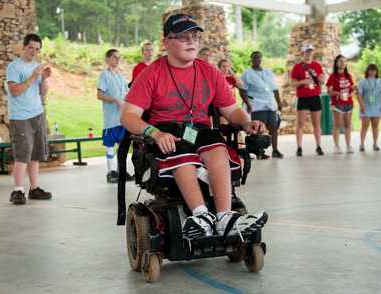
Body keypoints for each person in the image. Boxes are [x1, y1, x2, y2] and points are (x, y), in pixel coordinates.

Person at [120, 13, 267, 240]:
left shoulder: (209, 72)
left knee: (218, 148)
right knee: (181, 151)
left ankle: (225, 217)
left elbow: (231, 110)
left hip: (199, 128)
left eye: (195, 36)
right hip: (167, 131)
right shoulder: (152, 74)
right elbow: (128, 116)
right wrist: (154, 132)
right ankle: (201, 216)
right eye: (183, 37)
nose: (192, 42)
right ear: (166, 42)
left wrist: (247, 122)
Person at [6, 33, 52, 205]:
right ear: (24, 47)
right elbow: (15, 91)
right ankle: (17, 190)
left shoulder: (37, 67)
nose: (34, 51)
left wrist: (44, 78)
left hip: (37, 114)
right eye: (31, 48)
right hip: (20, 117)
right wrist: (33, 76)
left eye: (37, 49)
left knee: (35, 154)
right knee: (22, 154)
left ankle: (34, 188)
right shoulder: (14, 67)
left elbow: (42, 92)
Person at [97, 49, 133, 183]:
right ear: (107, 59)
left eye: (119, 58)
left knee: (122, 146)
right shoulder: (104, 75)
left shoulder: (121, 76)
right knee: (110, 145)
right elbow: (99, 95)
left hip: (122, 119)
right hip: (111, 119)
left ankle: (120, 171)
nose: (117, 60)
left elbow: (127, 93)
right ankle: (110, 172)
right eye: (114, 57)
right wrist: (115, 100)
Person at [241, 51, 283, 159]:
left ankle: (275, 150)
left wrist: (279, 102)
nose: (257, 59)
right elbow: (242, 91)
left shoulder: (268, 72)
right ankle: (259, 151)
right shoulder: (247, 74)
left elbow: (275, 89)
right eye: (254, 58)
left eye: (259, 58)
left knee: (273, 127)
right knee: (258, 128)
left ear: (261, 59)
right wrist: (248, 104)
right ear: (251, 59)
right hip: (257, 105)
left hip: (270, 103)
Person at [290, 43, 324, 157]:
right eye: (307, 51)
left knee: (317, 123)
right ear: (303, 53)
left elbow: (321, 80)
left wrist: (322, 79)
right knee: (301, 123)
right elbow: (292, 83)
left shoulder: (317, 66)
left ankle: (319, 146)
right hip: (303, 97)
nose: (309, 53)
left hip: (315, 96)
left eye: (310, 51)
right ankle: (299, 147)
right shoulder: (297, 67)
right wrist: (302, 82)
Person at [326, 55, 355, 154]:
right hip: (338, 104)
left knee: (347, 125)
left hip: (349, 103)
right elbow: (329, 92)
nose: (343, 63)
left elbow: (351, 88)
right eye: (340, 61)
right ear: (336, 63)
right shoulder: (332, 76)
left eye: (344, 61)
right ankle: (337, 146)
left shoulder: (348, 76)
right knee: (337, 125)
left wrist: (352, 91)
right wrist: (339, 94)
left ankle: (348, 145)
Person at [356, 64, 381, 151]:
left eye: (374, 70)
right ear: (367, 71)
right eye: (370, 70)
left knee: (375, 126)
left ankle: (375, 144)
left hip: (377, 107)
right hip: (366, 107)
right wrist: (361, 105)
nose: (372, 72)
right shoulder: (362, 82)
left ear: (376, 71)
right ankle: (362, 144)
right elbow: (358, 94)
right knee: (364, 126)